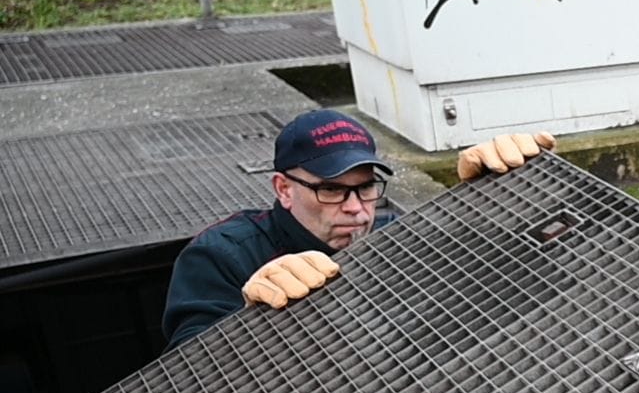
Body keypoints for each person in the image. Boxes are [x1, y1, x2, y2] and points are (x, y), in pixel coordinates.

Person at [161, 109, 555, 348]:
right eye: (331, 189)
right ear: (283, 189)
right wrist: (249, 318)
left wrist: (493, 196)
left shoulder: (392, 234)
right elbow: (179, 378)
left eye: (365, 187)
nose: (356, 209)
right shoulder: (220, 255)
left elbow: (494, 283)